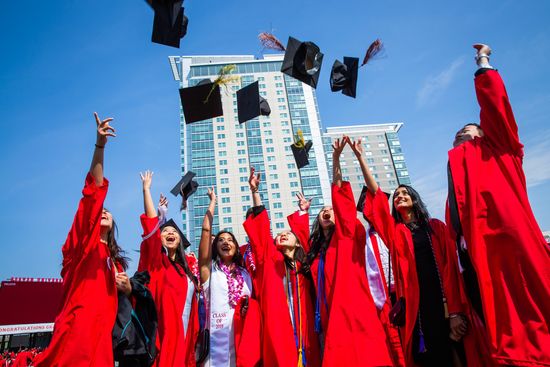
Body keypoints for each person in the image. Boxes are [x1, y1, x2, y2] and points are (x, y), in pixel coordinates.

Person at [447, 44, 550, 366]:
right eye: (457, 135)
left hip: (510, 244)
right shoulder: (457, 170)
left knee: (533, 314)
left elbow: (496, 109)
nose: (462, 134)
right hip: (477, 257)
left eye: (470, 131)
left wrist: (483, 64)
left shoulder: (501, 151)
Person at [355, 133, 473, 367]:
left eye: (404, 193)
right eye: (396, 195)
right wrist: (361, 158)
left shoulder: (436, 227)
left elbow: (450, 269)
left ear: (414, 199)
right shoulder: (395, 232)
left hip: (444, 304)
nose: (399, 196)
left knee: (454, 354)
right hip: (416, 309)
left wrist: (457, 312)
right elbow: (377, 195)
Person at [34, 112, 129, 367]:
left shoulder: (113, 262)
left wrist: (127, 288)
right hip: (78, 332)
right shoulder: (82, 248)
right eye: (101, 212)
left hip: (102, 338)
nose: (104, 213)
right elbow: (92, 193)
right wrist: (100, 147)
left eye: (108, 213)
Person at [287, 192, 405, 367]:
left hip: (350, 307)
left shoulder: (346, 238)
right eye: (322, 211)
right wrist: (303, 211)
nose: (326, 212)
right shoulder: (315, 250)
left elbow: (347, 216)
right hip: (325, 314)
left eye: (331, 210)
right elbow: (301, 238)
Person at [243, 167, 321, 367]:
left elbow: (304, 235)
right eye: (279, 234)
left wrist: (303, 212)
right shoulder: (270, 260)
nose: (283, 234)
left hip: (306, 327)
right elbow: (261, 233)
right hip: (279, 327)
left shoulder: (304, 265)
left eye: (288, 233)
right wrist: (255, 192)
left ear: (297, 243)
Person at [138, 171, 199, 367]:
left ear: (180, 239)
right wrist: (146, 191)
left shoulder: (187, 270)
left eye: (174, 232)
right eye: (166, 231)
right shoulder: (158, 264)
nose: (171, 233)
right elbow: (150, 227)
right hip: (163, 340)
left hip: (187, 337)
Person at [198, 188, 260, 367]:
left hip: (241, 342)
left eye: (230, 239)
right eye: (221, 240)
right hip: (214, 344)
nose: (226, 242)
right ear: (215, 247)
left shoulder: (246, 274)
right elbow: (205, 232)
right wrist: (213, 203)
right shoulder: (209, 271)